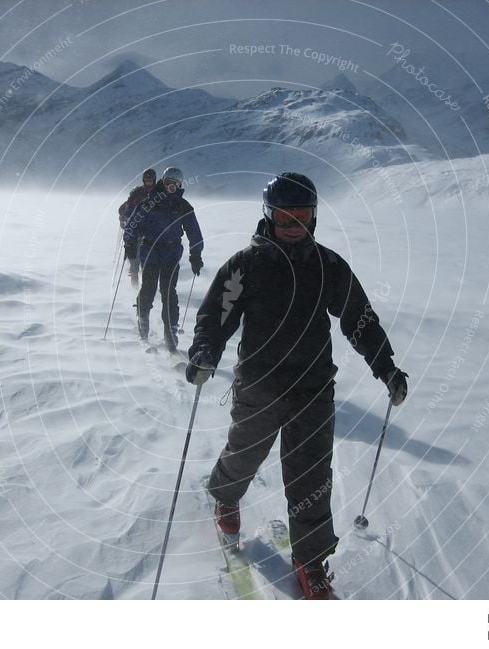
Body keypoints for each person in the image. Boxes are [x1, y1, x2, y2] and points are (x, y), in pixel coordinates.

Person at [185, 172, 408, 600]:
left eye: (301, 216)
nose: (293, 227)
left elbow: (359, 320)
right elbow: (216, 315)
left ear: (314, 217)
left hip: (313, 388)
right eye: (285, 217)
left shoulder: (328, 266)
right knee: (245, 451)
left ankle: (311, 562)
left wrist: (388, 369)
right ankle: (226, 497)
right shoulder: (245, 265)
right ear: (269, 216)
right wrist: (204, 353)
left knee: (311, 476)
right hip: (260, 384)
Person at [124, 166, 204, 352]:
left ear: (180, 185)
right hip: (150, 251)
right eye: (169, 183)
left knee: (169, 293)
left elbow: (194, 231)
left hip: (172, 253)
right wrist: (129, 243)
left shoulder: (183, 206)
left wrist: (196, 254)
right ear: (163, 182)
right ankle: (143, 325)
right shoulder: (149, 201)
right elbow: (133, 224)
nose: (172, 187)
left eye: (176, 184)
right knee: (149, 288)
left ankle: (170, 332)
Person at [118, 168, 157, 289]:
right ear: (143, 180)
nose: (149, 182)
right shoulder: (137, 193)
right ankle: (134, 288)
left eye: (151, 180)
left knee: (148, 262)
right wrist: (127, 219)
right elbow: (128, 209)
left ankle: (147, 288)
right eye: (147, 180)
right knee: (134, 260)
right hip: (136, 231)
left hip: (151, 233)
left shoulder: (159, 193)